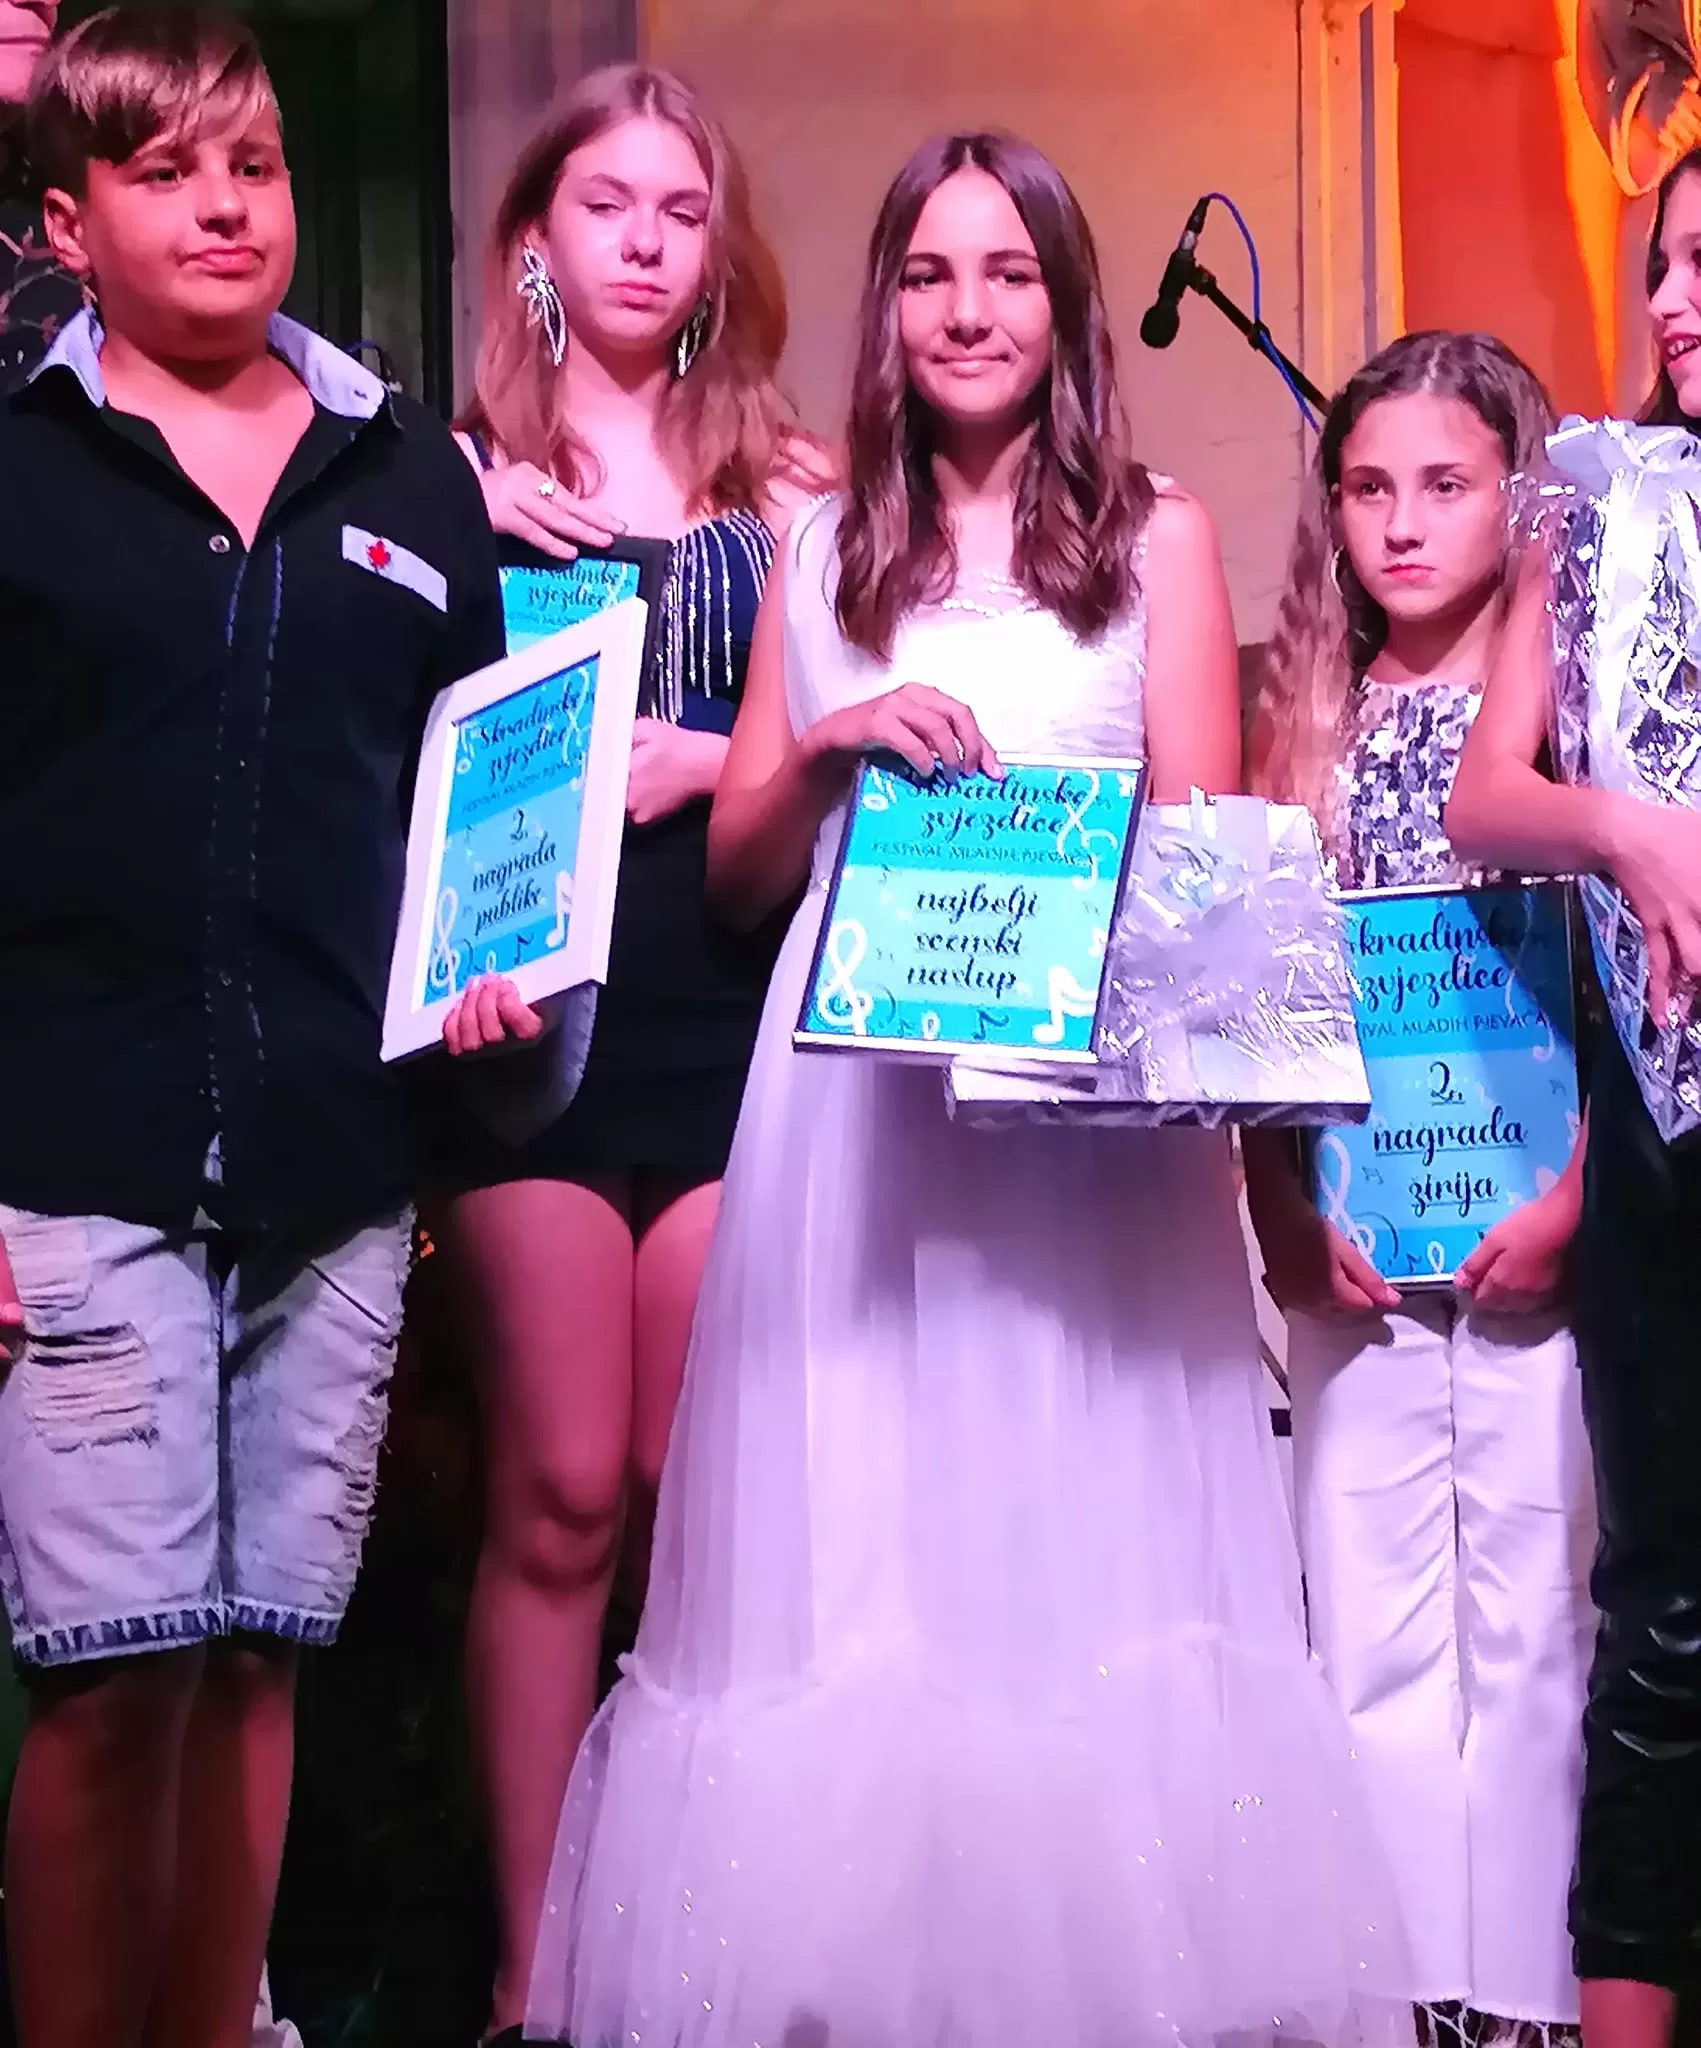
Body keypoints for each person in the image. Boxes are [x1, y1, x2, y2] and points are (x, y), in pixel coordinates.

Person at [479, 127, 1411, 2048]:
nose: (967, 310)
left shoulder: (1155, 534)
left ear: (1066, 309)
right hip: (855, 1133)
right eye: (928, 274)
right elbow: (742, 869)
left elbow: (1206, 852)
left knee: (1080, 1541)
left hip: (1078, 1137)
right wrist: (835, 742)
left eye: (1007, 273)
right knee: (866, 1553)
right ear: (885, 310)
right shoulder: (817, 544)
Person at [0, 10, 504, 2046]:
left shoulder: (414, 475)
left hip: (335, 1168)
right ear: (67, 224)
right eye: (165, 171)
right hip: (77, 1154)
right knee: (113, 1668)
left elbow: (479, 805)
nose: (225, 205)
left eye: (257, 163)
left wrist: (490, 968)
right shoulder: (18, 473)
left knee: (254, 1654)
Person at [432, 63, 826, 2047]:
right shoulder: (444, 479)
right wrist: (444, 966)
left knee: (694, 1479)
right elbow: (394, 771)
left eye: (684, 209)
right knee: (563, 1488)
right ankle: (530, 1975)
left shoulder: (796, 484)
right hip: (527, 1029)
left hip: (733, 1008)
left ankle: (691, 1956)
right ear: (536, 239)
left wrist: (725, 755)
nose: (649, 242)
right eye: (610, 205)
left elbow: (859, 736)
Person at [1243, 330, 1597, 2048]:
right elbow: (1250, 998)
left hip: (1543, 1240)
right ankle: (1405, 2000)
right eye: (1368, 488)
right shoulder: (1302, 723)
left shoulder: (1580, 726)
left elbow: (1637, 990)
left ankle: (1529, 1997)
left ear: (1518, 498)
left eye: (1446, 485)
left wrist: (1585, 1197)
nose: (1400, 523)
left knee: (1534, 1620)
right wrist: (1284, 1220)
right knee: (1367, 1617)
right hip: (1361, 1246)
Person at [1446, 149, 1701, 2048]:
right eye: (1667, 265)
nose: (1676, 302)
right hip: (1667, 1116)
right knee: (1668, 1608)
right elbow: (1486, 795)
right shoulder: (1599, 497)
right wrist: (1624, 828)